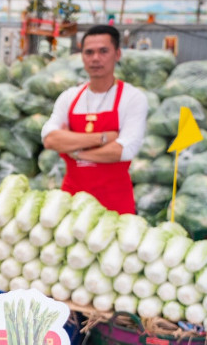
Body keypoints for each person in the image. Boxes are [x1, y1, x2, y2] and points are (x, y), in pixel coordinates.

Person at [41, 24, 147, 214]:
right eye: (89, 52)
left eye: (103, 51)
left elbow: (124, 150)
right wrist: (104, 138)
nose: (95, 58)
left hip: (114, 204)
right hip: (71, 202)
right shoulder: (69, 97)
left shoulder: (132, 98)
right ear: (82, 56)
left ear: (117, 54)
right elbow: (50, 139)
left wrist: (76, 152)